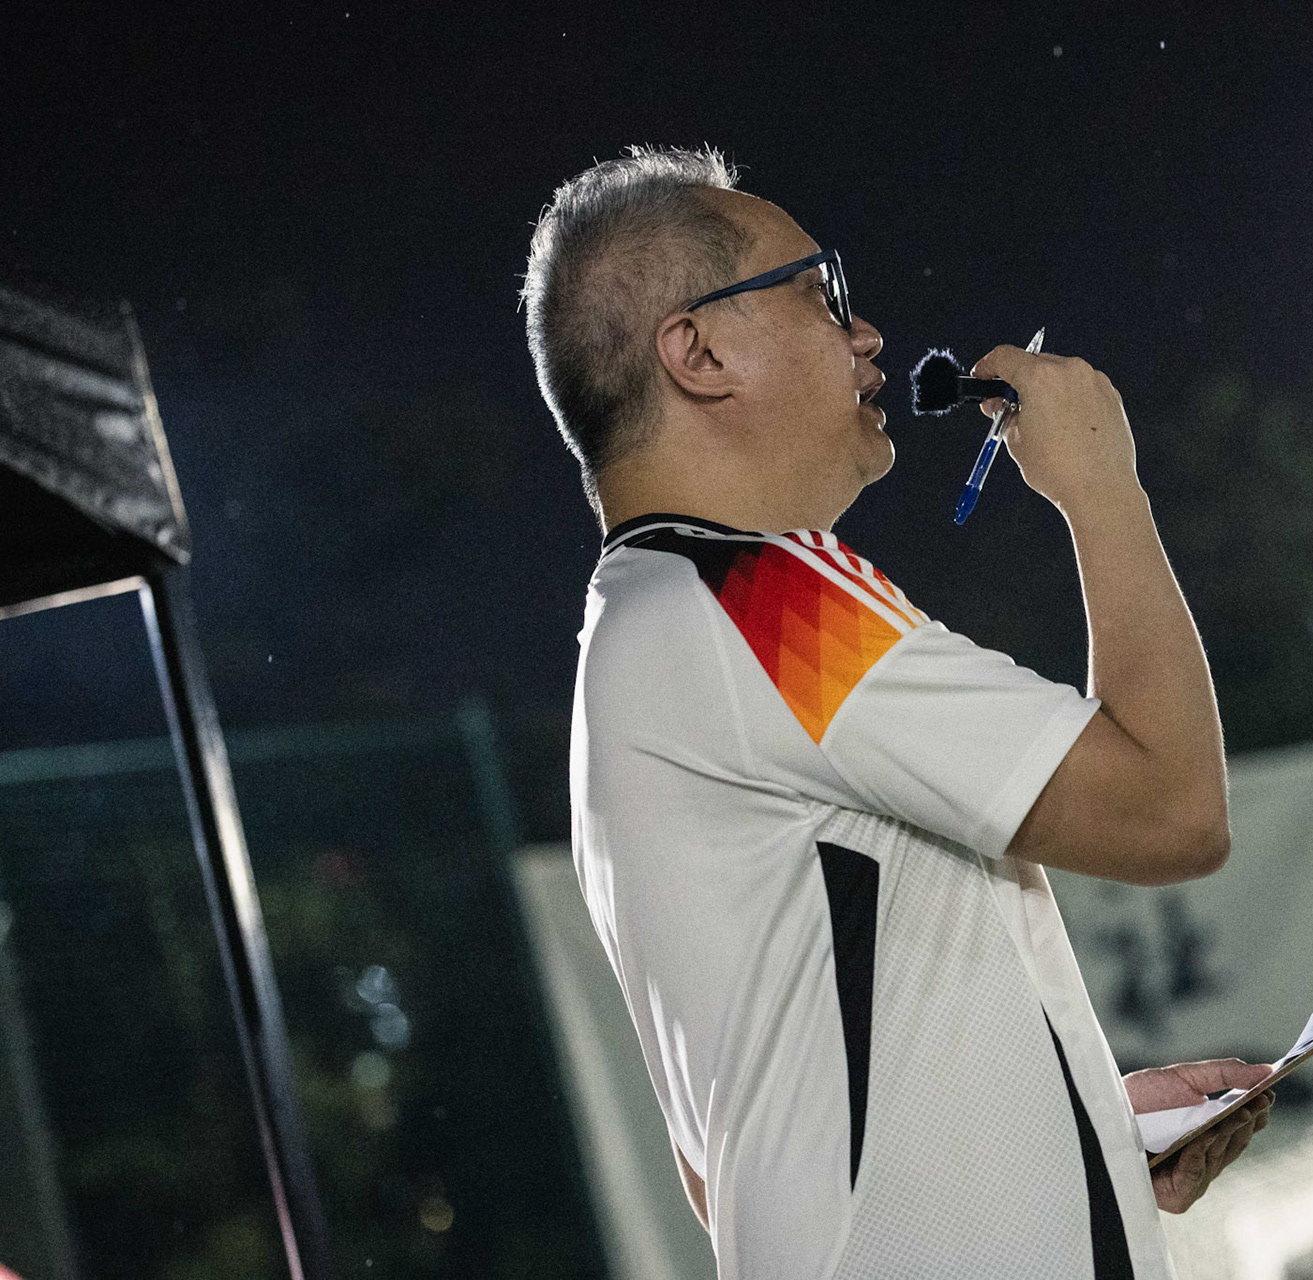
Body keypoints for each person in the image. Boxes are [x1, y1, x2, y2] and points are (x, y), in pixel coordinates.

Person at [522, 145, 1273, 1279]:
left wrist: (1074, 1129)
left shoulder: (634, 638)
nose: (865, 332)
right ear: (699, 349)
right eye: (820, 293)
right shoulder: (763, 601)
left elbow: (734, 1149)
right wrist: (1102, 486)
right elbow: (1173, 808)